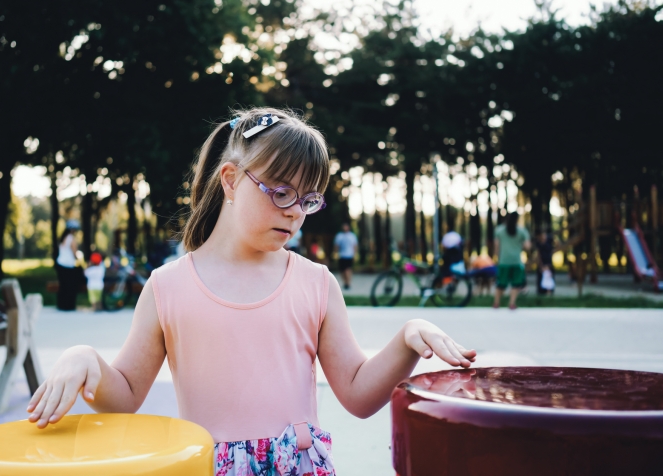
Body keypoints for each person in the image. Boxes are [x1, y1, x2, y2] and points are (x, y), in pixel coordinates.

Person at [27, 108, 476, 475]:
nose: (296, 213)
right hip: (206, 468)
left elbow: (358, 395)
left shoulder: (316, 283)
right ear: (229, 180)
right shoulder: (169, 286)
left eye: (308, 199)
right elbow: (123, 396)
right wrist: (84, 358)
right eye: (281, 192)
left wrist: (407, 338)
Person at [493, 212, 531, 310]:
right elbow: (527, 246)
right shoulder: (522, 231)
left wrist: (496, 257)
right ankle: (512, 303)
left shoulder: (499, 230)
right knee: (516, 283)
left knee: (501, 283)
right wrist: (519, 245)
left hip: (503, 260)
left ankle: (496, 303)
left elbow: (496, 246)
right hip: (516, 261)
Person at [55, 220, 83, 311]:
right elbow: (75, 253)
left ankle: (61, 305)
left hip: (60, 264)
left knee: (63, 286)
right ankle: (69, 306)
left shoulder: (63, 237)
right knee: (70, 286)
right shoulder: (71, 238)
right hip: (68, 265)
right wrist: (80, 257)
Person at [334, 223, 358, 290]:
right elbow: (336, 246)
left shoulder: (352, 236)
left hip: (349, 255)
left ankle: (348, 283)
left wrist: (355, 254)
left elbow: (354, 246)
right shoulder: (339, 236)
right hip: (342, 255)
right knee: (342, 270)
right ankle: (345, 282)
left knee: (348, 269)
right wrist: (336, 254)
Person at [535, 229, 555, 295]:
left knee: (549, 276)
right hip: (542, 262)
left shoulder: (549, 242)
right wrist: (540, 265)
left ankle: (549, 290)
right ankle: (541, 291)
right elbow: (539, 254)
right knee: (541, 276)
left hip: (548, 261)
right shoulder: (539, 243)